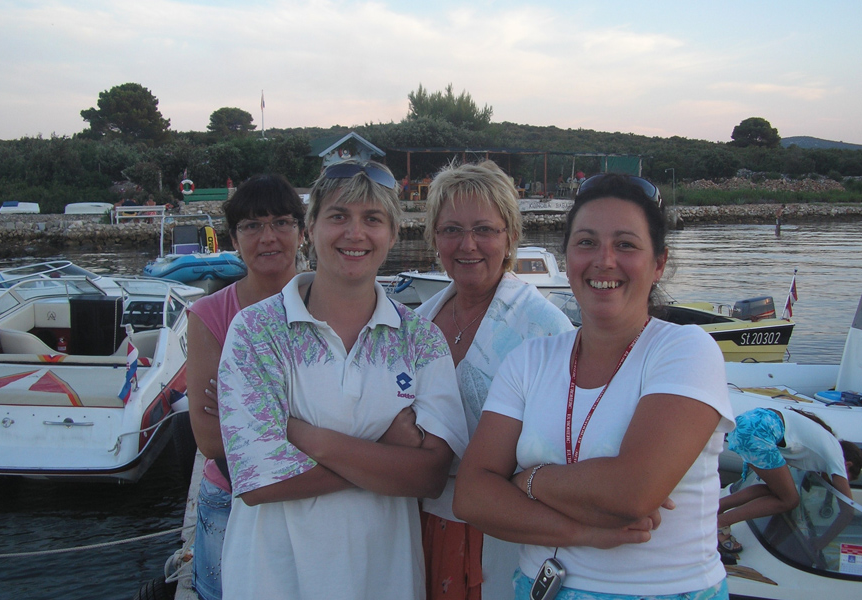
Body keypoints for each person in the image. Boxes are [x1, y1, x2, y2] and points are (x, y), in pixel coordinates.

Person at [454, 173, 735, 599]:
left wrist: (526, 480)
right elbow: (472, 496)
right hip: (536, 586)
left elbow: (633, 492)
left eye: (626, 245)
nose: (604, 260)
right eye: (586, 242)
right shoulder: (530, 360)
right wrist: (583, 532)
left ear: (659, 263)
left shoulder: (685, 350)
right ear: (567, 257)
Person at [216, 160, 469, 600]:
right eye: (338, 216)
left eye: (372, 219)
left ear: (393, 234)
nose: (355, 233)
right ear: (311, 228)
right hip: (273, 580)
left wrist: (305, 436)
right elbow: (259, 481)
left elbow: (430, 476)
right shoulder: (256, 331)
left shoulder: (421, 339)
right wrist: (387, 452)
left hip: (385, 581)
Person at [417, 159, 574, 600]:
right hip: (418, 521)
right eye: (451, 230)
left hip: (505, 532)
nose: (467, 244)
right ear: (435, 238)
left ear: (509, 238)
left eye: (484, 229)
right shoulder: (417, 323)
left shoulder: (545, 328)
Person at [186, 174, 307, 600]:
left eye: (281, 222)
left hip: (316, 499)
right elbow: (211, 438)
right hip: (232, 497)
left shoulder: (331, 306)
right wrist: (326, 436)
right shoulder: (210, 315)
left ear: (303, 232)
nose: (268, 237)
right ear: (234, 239)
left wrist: (252, 415)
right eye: (252, 225)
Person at [717, 407, 862, 554]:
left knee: (773, 491)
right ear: (847, 465)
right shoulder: (837, 458)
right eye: (847, 478)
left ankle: (715, 509)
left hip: (749, 422)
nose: (837, 483)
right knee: (790, 500)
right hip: (760, 432)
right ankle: (720, 523)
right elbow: (848, 512)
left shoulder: (827, 443)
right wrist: (820, 543)